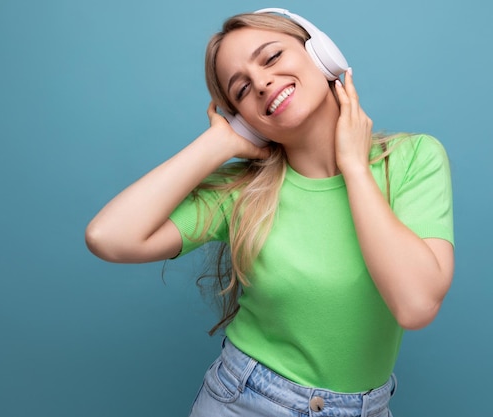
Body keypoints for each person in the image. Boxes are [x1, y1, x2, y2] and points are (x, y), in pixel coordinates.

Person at [85, 8, 454, 417]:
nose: (260, 83)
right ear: (241, 118)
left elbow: (416, 305)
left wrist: (353, 167)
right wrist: (220, 145)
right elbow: (108, 236)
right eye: (240, 90)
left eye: (272, 57)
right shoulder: (243, 191)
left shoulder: (413, 159)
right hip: (244, 402)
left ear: (321, 54)